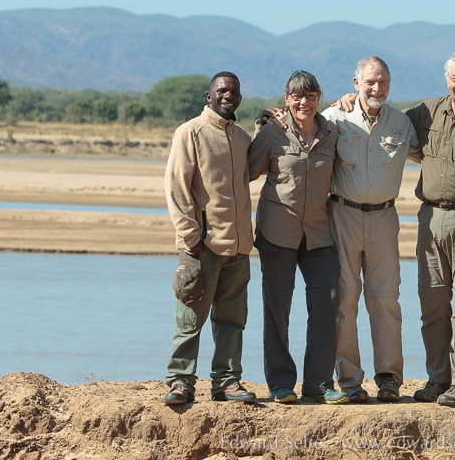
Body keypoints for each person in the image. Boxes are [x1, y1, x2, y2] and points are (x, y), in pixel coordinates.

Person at [337, 52, 455, 407]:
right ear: (446, 79)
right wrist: (350, 99)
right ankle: (438, 380)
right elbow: (379, 115)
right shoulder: (427, 112)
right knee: (432, 303)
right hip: (430, 218)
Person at [321, 56, 420, 403]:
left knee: (385, 300)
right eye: (369, 82)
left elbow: (432, 153)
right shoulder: (334, 118)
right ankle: (349, 381)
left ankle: (389, 379)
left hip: (385, 219)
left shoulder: (402, 123)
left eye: (382, 83)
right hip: (342, 216)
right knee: (344, 301)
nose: (376, 89)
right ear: (355, 83)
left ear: (390, 85)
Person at [247, 70, 347, 405]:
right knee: (278, 310)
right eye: (296, 96)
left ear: (319, 97)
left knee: (326, 305)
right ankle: (281, 383)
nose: (303, 102)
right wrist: (258, 129)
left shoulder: (331, 132)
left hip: (319, 234)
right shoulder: (272, 132)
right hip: (277, 232)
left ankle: (319, 382)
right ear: (287, 98)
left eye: (310, 95)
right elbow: (247, 172)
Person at [162, 71, 257, 405]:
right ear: (209, 96)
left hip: (238, 247)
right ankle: (180, 382)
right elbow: (176, 186)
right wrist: (190, 237)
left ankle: (227, 382)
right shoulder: (191, 132)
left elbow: (256, 169)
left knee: (232, 321)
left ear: (240, 98)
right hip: (201, 246)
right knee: (189, 318)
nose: (227, 95)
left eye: (233, 91)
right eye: (221, 91)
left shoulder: (243, 138)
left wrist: (266, 132)